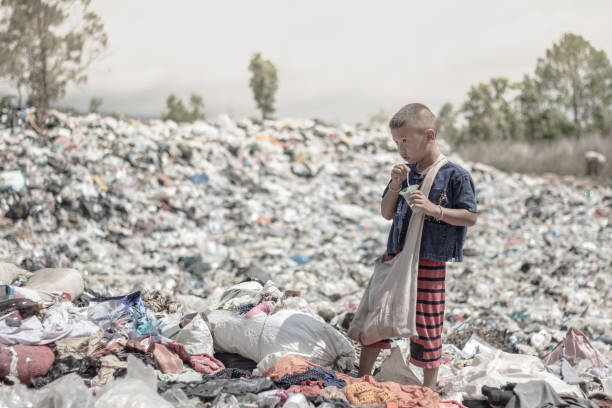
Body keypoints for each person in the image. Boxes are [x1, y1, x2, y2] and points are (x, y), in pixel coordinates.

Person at [357, 103, 478, 390]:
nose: (401, 148)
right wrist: (396, 185)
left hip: (429, 260)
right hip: (396, 255)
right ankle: (360, 376)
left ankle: (428, 388)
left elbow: (470, 216)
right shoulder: (405, 173)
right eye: (396, 141)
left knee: (427, 322)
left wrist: (434, 209)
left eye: (405, 140)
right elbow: (386, 212)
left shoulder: (455, 176)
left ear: (429, 135)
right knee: (378, 313)